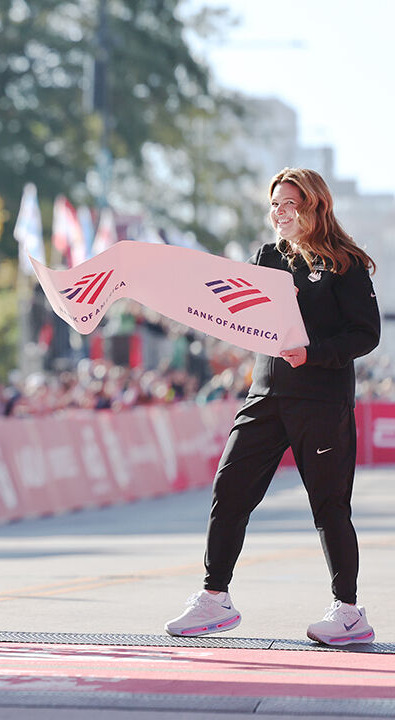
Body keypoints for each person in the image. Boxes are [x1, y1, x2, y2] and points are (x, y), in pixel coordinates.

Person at [165, 168, 380, 646]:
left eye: (289, 204)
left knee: (329, 506)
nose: (279, 213)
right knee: (229, 490)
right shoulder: (266, 257)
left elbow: (366, 334)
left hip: (321, 400)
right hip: (265, 396)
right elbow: (229, 303)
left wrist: (313, 352)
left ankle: (348, 611)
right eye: (274, 204)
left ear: (314, 207)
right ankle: (214, 598)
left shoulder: (346, 263)